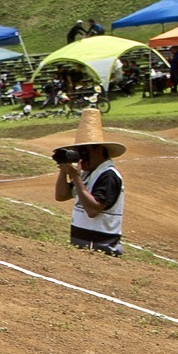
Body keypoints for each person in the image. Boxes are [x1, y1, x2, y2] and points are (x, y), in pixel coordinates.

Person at [53, 109, 126, 256]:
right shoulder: (88, 174)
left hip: (102, 249)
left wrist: (76, 178)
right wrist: (64, 169)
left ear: (98, 150)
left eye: (84, 151)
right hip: (83, 246)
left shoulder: (109, 175)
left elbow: (93, 210)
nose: (81, 157)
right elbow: (61, 196)